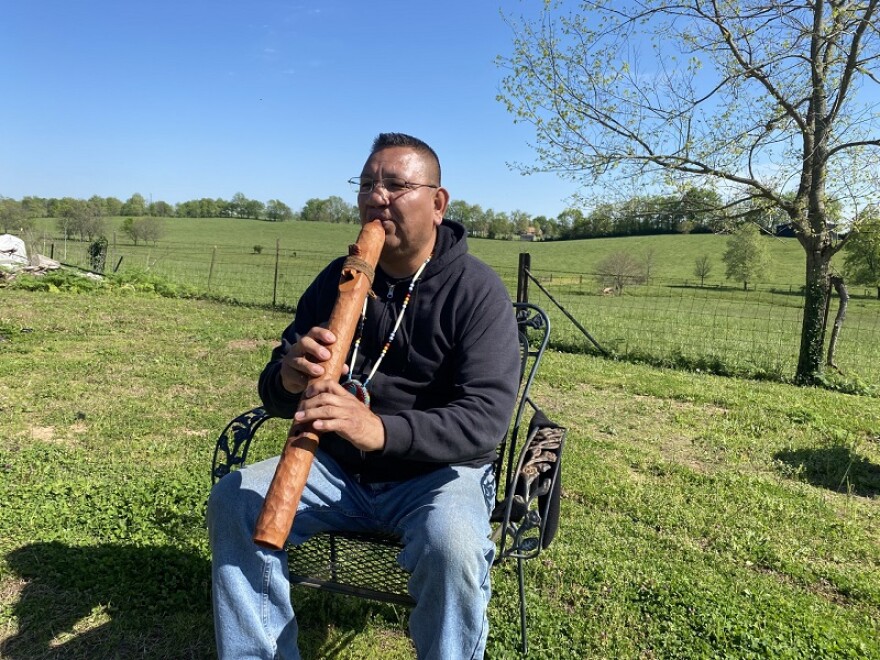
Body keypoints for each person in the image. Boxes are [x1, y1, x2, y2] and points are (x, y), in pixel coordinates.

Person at [208, 132, 521, 659]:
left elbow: (485, 419)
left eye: (396, 185)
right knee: (234, 503)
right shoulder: (337, 277)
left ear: (438, 203)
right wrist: (287, 377)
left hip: (436, 477)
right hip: (334, 472)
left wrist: (378, 430)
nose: (377, 197)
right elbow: (277, 389)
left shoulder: (475, 290)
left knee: (454, 544)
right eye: (368, 185)